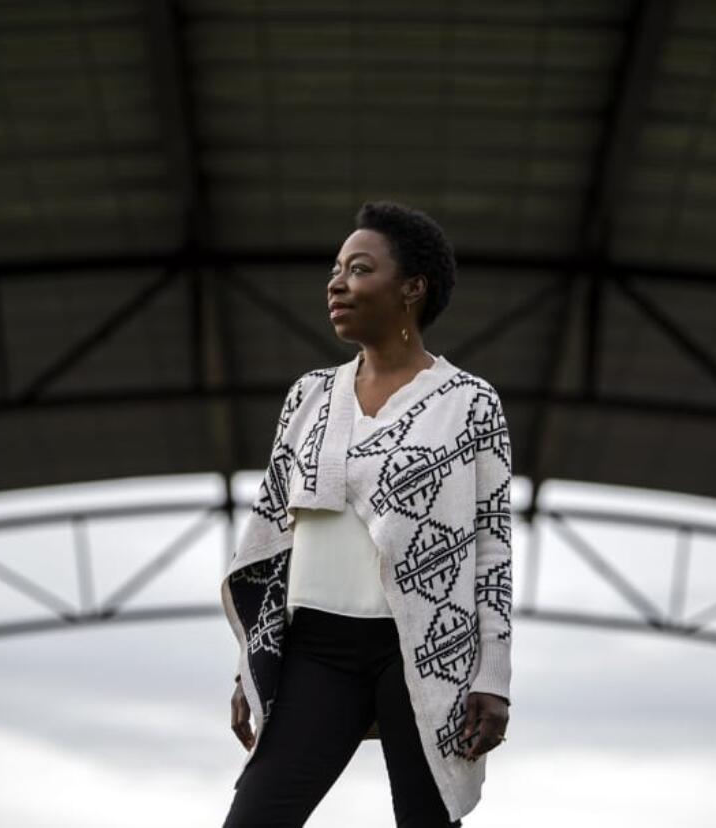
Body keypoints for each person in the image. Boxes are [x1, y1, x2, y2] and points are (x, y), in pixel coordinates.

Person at [220, 201, 513, 827]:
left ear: (411, 288)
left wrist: (494, 674)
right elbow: (273, 537)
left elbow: (491, 548)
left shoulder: (469, 404)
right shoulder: (310, 395)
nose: (336, 283)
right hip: (314, 650)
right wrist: (251, 662)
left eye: (358, 269)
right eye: (335, 269)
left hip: (422, 649)